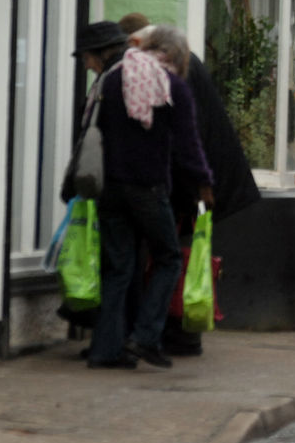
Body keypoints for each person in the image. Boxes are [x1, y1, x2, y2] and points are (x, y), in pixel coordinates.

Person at [118, 13, 261, 356]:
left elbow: (186, 135)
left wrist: (194, 187)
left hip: (193, 184)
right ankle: (181, 329)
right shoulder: (179, 63)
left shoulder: (170, 70)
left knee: (177, 256)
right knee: (184, 255)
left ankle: (179, 332)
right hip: (198, 180)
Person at [80, 22, 215, 370]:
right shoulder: (171, 86)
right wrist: (203, 183)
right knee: (168, 258)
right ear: (174, 55)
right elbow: (188, 145)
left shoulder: (113, 79)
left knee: (119, 268)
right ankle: (145, 336)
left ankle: (105, 350)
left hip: (109, 188)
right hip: (148, 188)